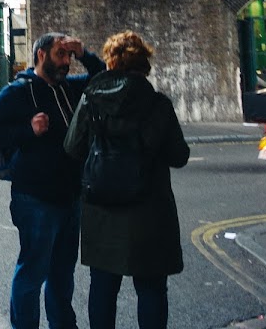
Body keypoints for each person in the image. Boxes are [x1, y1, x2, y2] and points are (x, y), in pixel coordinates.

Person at [63, 31, 189, 329]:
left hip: (102, 210)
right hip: (150, 210)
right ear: (144, 65)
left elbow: (71, 147)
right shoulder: (158, 104)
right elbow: (179, 156)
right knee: (151, 289)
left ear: (111, 63)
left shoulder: (92, 100)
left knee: (103, 288)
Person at [0, 32, 105, 329]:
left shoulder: (71, 87)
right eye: (60, 55)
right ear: (41, 55)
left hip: (70, 197)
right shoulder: (17, 92)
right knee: (32, 272)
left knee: (63, 274)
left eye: (68, 57)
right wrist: (28, 129)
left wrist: (84, 53)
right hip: (34, 199)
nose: (66, 63)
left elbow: (103, 79)